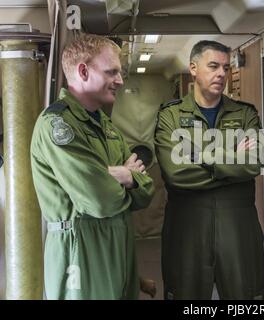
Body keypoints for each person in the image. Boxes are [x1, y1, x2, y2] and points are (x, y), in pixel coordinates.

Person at [31, 33, 154, 299]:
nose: (120, 81)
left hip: (120, 242)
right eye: (112, 72)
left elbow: (145, 193)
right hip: (79, 248)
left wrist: (128, 178)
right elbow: (99, 201)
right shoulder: (57, 126)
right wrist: (120, 177)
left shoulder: (107, 128)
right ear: (83, 71)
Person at [155, 40, 264, 299]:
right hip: (187, 226)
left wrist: (195, 154)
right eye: (213, 66)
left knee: (244, 298)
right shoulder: (170, 115)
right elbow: (175, 173)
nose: (221, 74)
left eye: (226, 68)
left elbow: (256, 162)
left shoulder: (245, 113)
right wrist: (232, 161)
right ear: (193, 68)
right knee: (185, 295)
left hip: (238, 226)